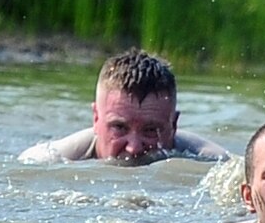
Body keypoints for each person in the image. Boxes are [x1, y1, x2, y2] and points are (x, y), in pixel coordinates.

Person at [18, 48, 229, 165]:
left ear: (173, 124)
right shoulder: (51, 161)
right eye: (119, 128)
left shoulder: (213, 162)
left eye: (150, 130)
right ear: (96, 119)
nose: (134, 147)